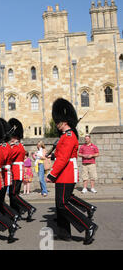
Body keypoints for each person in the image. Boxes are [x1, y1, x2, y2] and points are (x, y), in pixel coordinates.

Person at [46, 98, 98, 245]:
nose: (56, 123)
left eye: (58, 121)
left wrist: (52, 174)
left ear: (64, 121)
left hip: (66, 172)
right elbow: (62, 154)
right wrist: (52, 155)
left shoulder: (69, 136)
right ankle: (64, 233)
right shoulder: (65, 136)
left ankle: (89, 225)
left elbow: (63, 159)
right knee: (59, 205)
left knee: (63, 204)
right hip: (63, 172)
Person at [8, 118, 37, 221]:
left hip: (16, 172)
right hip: (14, 171)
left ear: (14, 137)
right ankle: (16, 213)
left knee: (14, 194)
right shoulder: (16, 146)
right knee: (12, 195)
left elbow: (9, 156)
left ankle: (29, 208)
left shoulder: (16, 147)